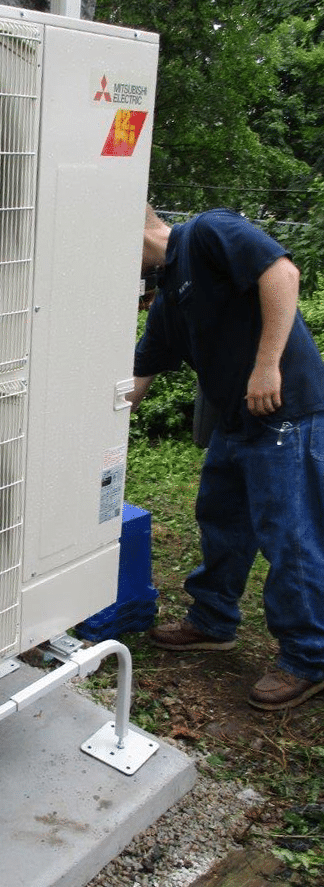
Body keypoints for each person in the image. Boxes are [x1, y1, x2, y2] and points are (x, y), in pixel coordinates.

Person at [129, 205, 324, 711]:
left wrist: (267, 366)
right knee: (221, 518)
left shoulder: (208, 231)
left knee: (290, 537)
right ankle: (213, 621)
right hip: (236, 422)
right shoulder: (168, 293)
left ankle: (309, 658)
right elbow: (141, 375)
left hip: (287, 411)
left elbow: (282, 272)